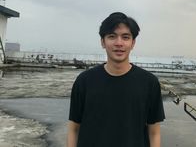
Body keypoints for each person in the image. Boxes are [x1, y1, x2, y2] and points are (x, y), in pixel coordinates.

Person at [67, 12, 165, 147]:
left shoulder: (149, 83)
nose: (119, 43)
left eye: (125, 37)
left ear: (133, 43)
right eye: (112, 36)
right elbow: (74, 128)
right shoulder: (84, 81)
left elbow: (154, 132)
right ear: (103, 42)